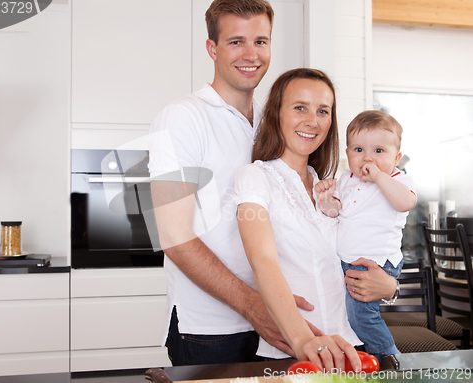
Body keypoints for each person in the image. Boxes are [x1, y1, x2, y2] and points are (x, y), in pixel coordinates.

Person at [149, 0, 398, 367]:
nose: (251, 54)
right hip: (212, 327)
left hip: (287, 322)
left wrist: (389, 287)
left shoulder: (279, 123)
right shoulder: (181, 118)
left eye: (261, 41)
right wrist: (253, 304)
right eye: (236, 41)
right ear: (211, 48)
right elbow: (173, 237)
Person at [236, 68, 380, 372]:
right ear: (276, 114)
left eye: (323, 111)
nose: (312, 121)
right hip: (296, 351)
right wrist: (302, 341)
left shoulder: (331, 186)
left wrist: (389, 287)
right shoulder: (256, 177)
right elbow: (263, 262)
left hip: (352, 347)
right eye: (300, 107)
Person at [314, 110, 417, 358]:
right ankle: (365, 358)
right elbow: (334, 213)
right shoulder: (346, 180)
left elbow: (405, 203)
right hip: (347, 260)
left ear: (396, 157)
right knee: (347, 313)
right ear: (347, 153)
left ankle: (389, 356)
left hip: (375, 263)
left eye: (379, 151)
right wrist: (325, 198)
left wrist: (380, 176)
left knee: (361, 315)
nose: (367, 158)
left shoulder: (398, 179)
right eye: (358, 150)